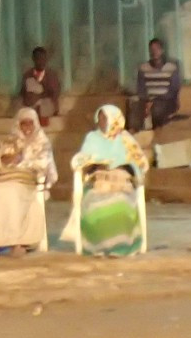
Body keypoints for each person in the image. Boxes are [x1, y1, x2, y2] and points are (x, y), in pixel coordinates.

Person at [63, 104, 148, 255]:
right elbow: (80, 159)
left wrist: (123, 166)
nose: (102, 122)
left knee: (121, 203)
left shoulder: (126, 139)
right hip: (98, 184)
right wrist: (93, 163)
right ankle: (98, 248)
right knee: (94, 204)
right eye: (100, 118)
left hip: (122, 185)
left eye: (106, 118)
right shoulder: (92, 138)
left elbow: (141, 163)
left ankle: (120, 248)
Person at [0, 106, 55, 254]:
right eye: (24, 123)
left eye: (30, 123)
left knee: (12, 192)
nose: (27, 127)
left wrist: (20, 161)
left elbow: (43, 165)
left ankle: (17, 243)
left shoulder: (43, 143)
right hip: (5, 178)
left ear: (36, 123)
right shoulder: (9, 141)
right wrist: (3, 161)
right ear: (19, 124)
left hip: (27, 181)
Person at [131, 39, 180, 131]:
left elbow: (173, 90)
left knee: (157, 109)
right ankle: (137, 133)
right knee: (134, 106)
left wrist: (155, 100)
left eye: (157, 49)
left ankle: (157, 132)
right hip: (148, 101)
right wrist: (147, 101)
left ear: (162, 50)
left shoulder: (172, 67)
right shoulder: (143, 68)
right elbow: (141, 88)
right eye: (152, 49)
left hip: (166, 101)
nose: (154, 52)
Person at [18, 47, 61, 125]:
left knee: (45, 105)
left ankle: (41, 121)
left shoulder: (52, 75)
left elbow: (55, 94)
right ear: (33, 59)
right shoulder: (28, 75)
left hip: (47, 104)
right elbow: (23, 93)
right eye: (38, 59)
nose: (41, 62)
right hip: (32, 104)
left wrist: (40, 95)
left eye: (43, 59)